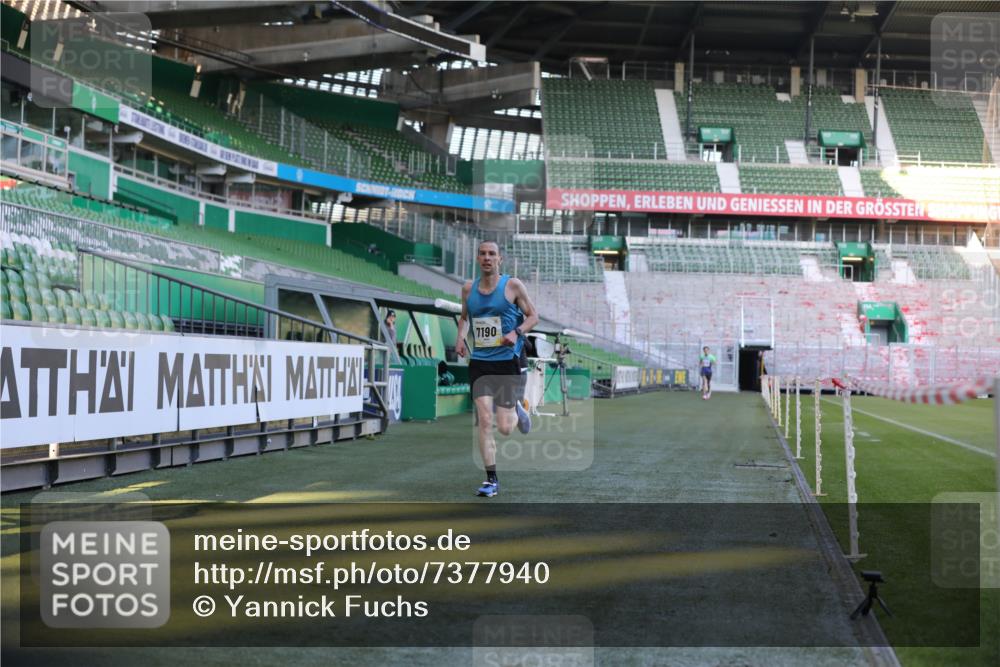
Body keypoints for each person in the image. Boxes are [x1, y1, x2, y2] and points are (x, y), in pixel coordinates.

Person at [456, 241, 539, 498]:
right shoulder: (468, 289)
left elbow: (533, 316)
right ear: (477, 258)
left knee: (504, 427)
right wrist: (460, 337)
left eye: (492, 254)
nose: (487, 258)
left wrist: (517, 332)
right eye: (482, 254)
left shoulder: (512, 286)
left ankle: (518, 408)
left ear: (499, 259)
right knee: (484, 420)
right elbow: (464, 318)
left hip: (506, 362)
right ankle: (491, 479)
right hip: (480, 361)